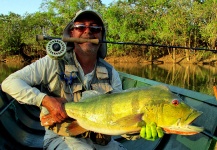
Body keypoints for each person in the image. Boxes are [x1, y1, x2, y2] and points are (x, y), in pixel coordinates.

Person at [2, 10, 163, 150]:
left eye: (95, 28)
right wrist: (45, 100)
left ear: (101, 36)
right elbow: (9, 83)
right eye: (80, 27)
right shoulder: (53, 62)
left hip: (103, 142)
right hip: (63, 137)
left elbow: (120, 121)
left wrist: (139, 129)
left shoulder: (111, 72)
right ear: (71, 33)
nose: (88, 31)